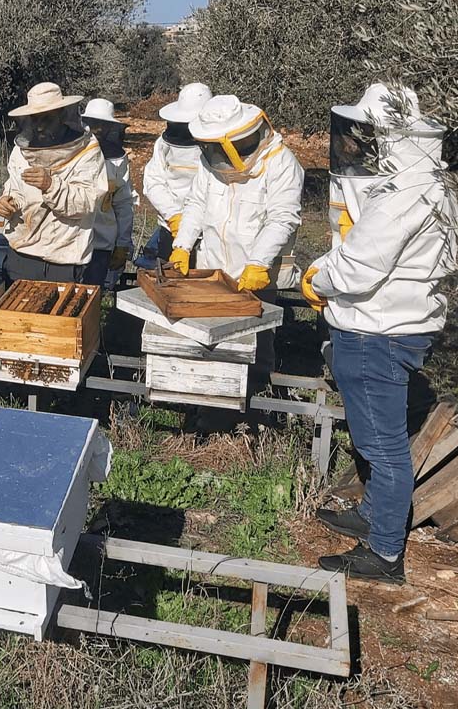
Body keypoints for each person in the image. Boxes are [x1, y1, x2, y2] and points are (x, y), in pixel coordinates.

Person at [302, 84, 455, 583]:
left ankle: (385, 554)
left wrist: (317, 279)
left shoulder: (402, 196)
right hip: (395, 324)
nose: (355, 143)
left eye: (366, 133)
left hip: (378, 330)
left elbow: (359, 267)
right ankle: (371, 516)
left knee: (383, 448)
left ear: (389, 136)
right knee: (375, 438)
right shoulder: (434, 184)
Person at [169, 94, 304, 411]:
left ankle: (255, 412)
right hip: (212, 269)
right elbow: (196, 206)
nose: (216, 153)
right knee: (207, 339)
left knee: (255, 345)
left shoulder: (282, 163)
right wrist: (182, 246)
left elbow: (281, 218)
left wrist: (257, 264)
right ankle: (207, 406)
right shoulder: (211, 161)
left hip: (256, 277)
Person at [0, 82, 107, 284]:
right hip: (22, 254)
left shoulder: (86, 152)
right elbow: (15, 187)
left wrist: (51, 185)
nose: (39, 125)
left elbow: (87, 203)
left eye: (47, 118)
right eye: (35, 119)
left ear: (62, 115)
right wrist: (8, 201)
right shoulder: (22, 151)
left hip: (64, 258)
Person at [136, 83, 213, 268]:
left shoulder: (217, 148)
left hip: (209, 234)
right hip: (169, 228)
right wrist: (174, 216)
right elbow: (153, 182)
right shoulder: (163, 144)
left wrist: (191, 224)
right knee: (168, 286)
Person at [80, 97, 134, 288]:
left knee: (92, 299)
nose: (99, 130)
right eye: (95, 124)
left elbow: (124, 203)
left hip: (101, 243)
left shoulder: (118, 160)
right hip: (71, 241)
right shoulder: (72, 153)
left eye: (104, 125)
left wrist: (123, 243)